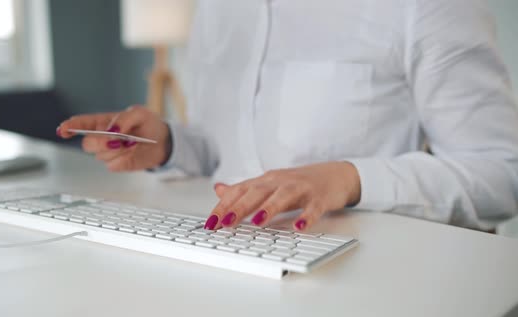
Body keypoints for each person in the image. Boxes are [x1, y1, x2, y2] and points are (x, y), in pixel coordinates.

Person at [57, 0, 518, 232]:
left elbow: (502, 172)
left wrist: (348, 178)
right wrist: (171, 144)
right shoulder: (218, 9)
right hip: (217, 255)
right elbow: (229, 154)